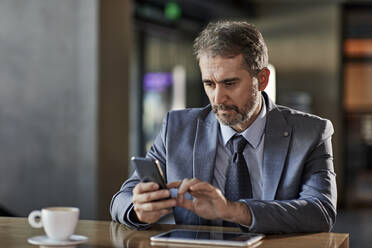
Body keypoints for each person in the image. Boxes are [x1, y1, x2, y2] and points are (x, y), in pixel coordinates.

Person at [110, 21, 337, 234]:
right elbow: (121, 199)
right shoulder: (177, 129)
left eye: (230, 83)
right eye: (209, 84)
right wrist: (138, 209)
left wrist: (232, 210)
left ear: (263, 79)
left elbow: (320, 211)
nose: (218, 98)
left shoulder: (311, 133)